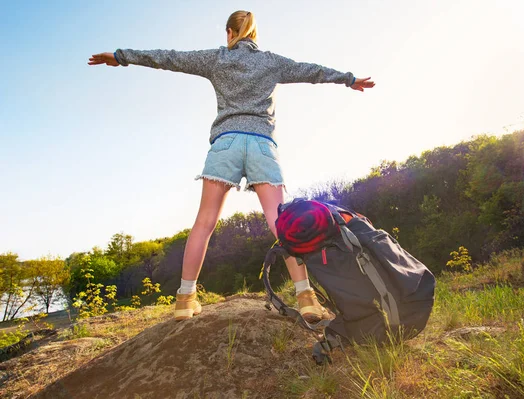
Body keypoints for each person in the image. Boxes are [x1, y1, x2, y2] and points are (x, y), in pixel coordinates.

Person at [88, 10, 375, 322]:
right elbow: (311, 70)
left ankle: (185, 298)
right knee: (281, 223)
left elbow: (168, 58)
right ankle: (305, 296)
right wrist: (348, 79)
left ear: (229, 32)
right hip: (262, 145)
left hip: (226, 143)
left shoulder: (217, 59)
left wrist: (121, 56)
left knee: (205, 222)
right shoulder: (271, 61)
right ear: (254, 34)